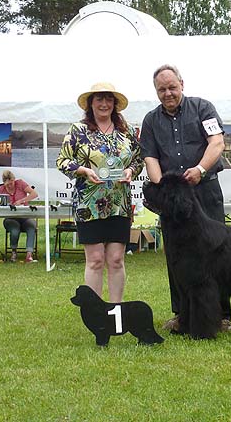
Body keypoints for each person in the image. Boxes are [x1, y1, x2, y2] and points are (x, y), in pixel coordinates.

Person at [140, 64, 231, 332]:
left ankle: (222, 315)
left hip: (205, 190)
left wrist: (201, 170)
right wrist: (163, 190)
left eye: (172, 87)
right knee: (177, 255)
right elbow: (150, 157)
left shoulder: (203, 108)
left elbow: (217, 142)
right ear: (156, 91)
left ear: (182, 84)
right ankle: (183, 313)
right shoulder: (151, 120)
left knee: (217, 253)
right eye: (162, 89)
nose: (168, 93)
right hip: (173, 201)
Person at [56, 82, 143, 303]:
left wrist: (131, 170)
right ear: (90, 103)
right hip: (88, 205)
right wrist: (83, 170)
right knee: (94, 260)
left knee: (116, 260)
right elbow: (62, 161)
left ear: (115, 104)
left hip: (119, 204)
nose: (104, 104)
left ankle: (116, 311)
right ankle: (95, 313)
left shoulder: (128, 132)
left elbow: (139, 160)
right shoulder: (77, 130)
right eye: (99, 99)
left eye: (108, 99)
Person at [0, 170, 39, 263]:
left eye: (11, 183)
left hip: (24, 216)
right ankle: (14, 252)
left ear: (14, 180)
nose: (10, 186)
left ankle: (29, 254)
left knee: (31, 225)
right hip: (10, 218)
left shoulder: (20, 183)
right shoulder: (1, 189)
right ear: (4, 183)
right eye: (7, 184)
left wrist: (22, 200)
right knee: (15, 229)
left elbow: (34, 194)